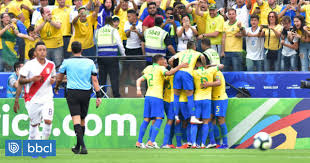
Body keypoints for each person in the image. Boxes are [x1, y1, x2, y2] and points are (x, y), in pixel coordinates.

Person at [55, 41, 102, 154]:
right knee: (82, 119)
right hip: (86, 93)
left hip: (73, 92)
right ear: (82, 50)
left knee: (76, 119)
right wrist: (98, 95)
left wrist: (56, 87)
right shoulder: (90, 62)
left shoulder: (67, 62)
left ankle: (83, 147)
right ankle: (77, 146)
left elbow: (59, 77)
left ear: (71, 50)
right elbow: (94, 80)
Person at [135, 54, 188, 148]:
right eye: (164, 61)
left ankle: (139, 142)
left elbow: (140, 79)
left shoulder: (149, 68)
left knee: (147, 119)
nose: (165, 63)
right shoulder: (161, 69)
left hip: (148, 96)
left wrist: (138, 89)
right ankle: (151, 142)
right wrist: (180, 66)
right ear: (159, 61)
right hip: (157, 97)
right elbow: (169, 73)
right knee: (159, 119)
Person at [15, 41, 56, 149]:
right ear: (36, 52)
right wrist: (32, 79)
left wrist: (53, 80)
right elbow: (21, 81)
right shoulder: (29, 65)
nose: (42, 52)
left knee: (48, 121)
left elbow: (53, 77)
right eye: (40, 50)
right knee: (34, 124)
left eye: (44, 50)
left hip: (47, 99)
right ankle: (32, 146)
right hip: (33, 99)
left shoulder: (51, 64)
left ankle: (42, 146)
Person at [168, 41, 206, 124]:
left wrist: (173, 67)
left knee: (176, 96)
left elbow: (170, 60)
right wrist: (204, 66)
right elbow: (202, 57)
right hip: (187, 74)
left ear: (187, 47)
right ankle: (192, 117)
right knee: (189, 96)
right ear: (194, 47)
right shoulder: (197, 53)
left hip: (178, 73)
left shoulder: (181, 52)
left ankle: (176, 116)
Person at [191, 58, 223, 148]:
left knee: (194, 121)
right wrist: (209, 66)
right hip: (207, 100)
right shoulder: (210, 70)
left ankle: (193, 143)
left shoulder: (194, 72)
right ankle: (203, 144)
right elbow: (221, 66)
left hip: (197, 99)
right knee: (205, 122)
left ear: (197, 63)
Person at [96, 16, 125, 98]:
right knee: (114, 78)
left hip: (101, 57)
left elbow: (96, 42)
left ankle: (101, 95)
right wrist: (123, 54)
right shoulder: (113, 30)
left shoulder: (98, 31)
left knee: (102, 78)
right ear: (112, 22)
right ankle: (116, 96)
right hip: (112, 57)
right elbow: (119, 43)